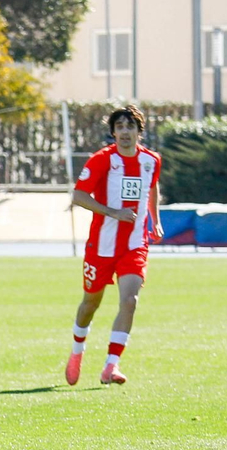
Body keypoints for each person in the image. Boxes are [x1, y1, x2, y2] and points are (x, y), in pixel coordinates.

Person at [66, 105, 162, 387]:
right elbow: (78, 196)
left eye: (130, 127)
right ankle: (76, 352)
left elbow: (152, 186)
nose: (124, 132)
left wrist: (155, 219)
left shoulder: (151, 160)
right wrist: (113, 212)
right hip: (102, 246)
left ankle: (111, 365)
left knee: (130, 301)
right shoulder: (102, 160)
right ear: (113, 133)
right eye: (119, 127)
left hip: (134, 244)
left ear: (138, 132)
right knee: (90, 304)